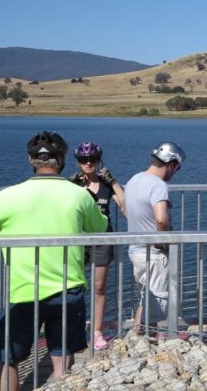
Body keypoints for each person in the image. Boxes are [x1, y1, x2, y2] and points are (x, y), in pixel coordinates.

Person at [0, 131, 108, 391]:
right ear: (61, 160)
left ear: (32, 160)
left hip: (23, 292)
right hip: (68, 288)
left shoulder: (8, 197)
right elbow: (100, 226)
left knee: (8, 359)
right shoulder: (79, 195)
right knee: (63, 362)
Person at [68, 141, 125, 351]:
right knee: (74, 287)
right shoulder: (73, 185)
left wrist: (114, 183)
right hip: (77, 241)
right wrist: (67, 183)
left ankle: (97, 332)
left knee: (99, 288)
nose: (88, 163)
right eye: (84, 160)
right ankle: (73, 329)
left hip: (102, 240)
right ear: (78, 163)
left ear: (99, 160)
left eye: (92, 159)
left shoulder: (106, 184)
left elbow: (127, 208)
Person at [124, 140, 185, 333]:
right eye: (177, 168)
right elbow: (161, 219)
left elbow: (126, 209)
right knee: (156, 305)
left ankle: (137, 336)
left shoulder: (134, 179)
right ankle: (145, 343)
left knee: (146, 298)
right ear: (171, 164)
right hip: (154, 253)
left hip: (135, 251)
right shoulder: (158, 185)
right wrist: (164, 241)